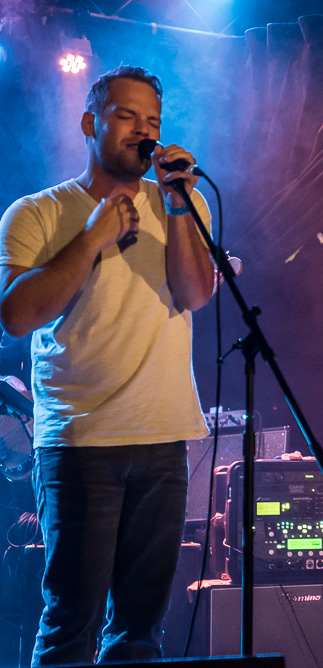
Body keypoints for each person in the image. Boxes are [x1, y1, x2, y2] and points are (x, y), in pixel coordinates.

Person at [0, 65, 214, 665]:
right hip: (79, 442)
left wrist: (177, 206)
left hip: (164, 438)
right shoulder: (38, 213)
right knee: (72, 622)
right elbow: (16, 315)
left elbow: (196, 294)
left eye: (153, 121)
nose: (144, 132)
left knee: (141, 632)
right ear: (92, 123)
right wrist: (91, 239)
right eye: (127, 117)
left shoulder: (184, 202)